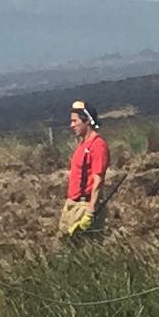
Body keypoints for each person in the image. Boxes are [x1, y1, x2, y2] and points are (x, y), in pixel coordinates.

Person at [60, 99, 110, 240]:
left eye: (75, 121)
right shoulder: (82, 145)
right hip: (73, 205)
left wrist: (90, 212)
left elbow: (98, 180)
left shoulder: (97, 145)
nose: (72, 125)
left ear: (87, 121)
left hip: (84, 206)